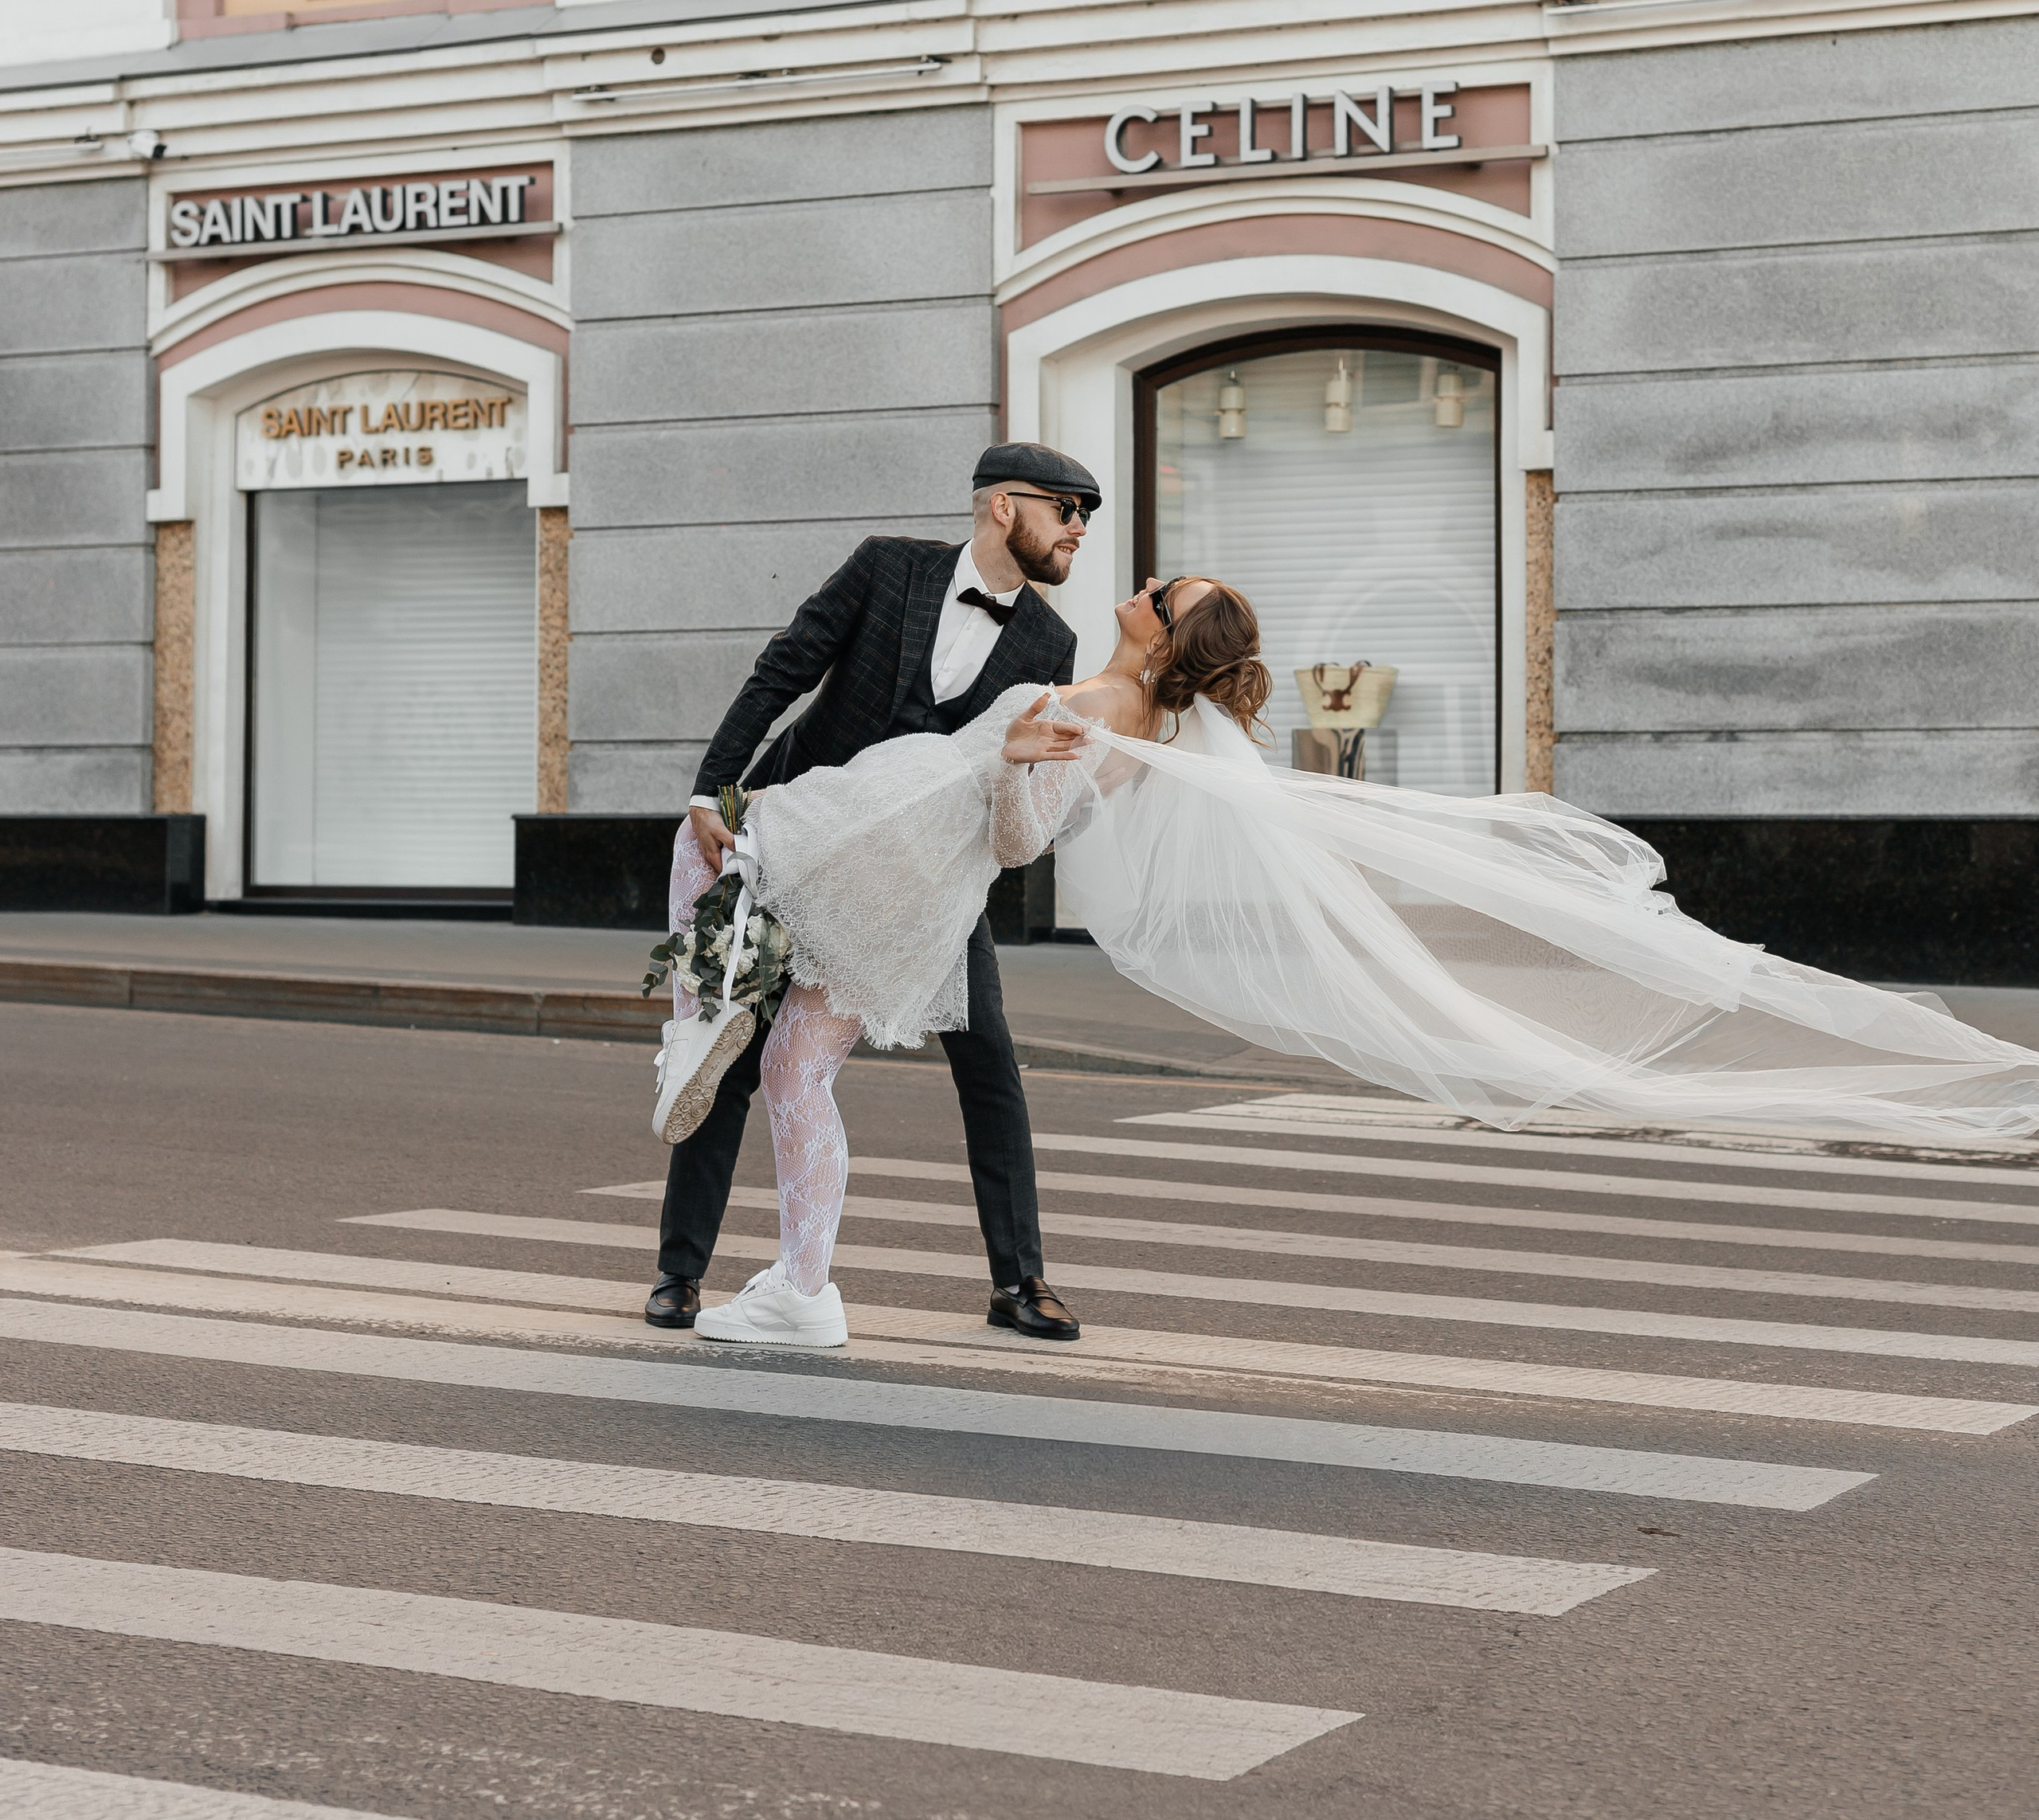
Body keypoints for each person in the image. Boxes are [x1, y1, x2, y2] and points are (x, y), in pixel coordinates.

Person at [680, 571, 2039, 1334]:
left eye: (1161, 591)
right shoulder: (1133, 717)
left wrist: (1030, 757)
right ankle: (801, 1284)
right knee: (798, 1069)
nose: (1141, 585)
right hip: (881, 855)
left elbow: (1024, 841)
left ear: (1161, 639)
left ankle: (804, 1289)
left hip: (894, 872)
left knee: (797, 1071)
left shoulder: (1096, 705)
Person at [644, 441, 1098, 1348]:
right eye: (1065, 509)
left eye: (1087, 515)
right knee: (728, 1049)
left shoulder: (1051, 646)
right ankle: (680, 1272)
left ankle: (1020, 1279)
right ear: (1004, 508)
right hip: (791, 839)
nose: (1079, 529)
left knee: (988, 1062)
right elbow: (787, 669)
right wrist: (711, 789)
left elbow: (1007, 793)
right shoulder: (888, 567)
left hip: (918, 880)